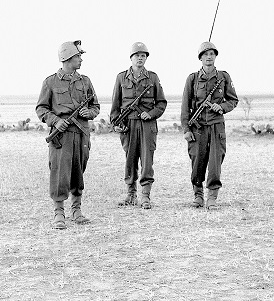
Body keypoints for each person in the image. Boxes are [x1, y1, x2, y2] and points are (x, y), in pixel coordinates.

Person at [36, 40, 100, 230]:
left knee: (79, 170)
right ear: (67, 58)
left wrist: (90, 113)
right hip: (61, 136)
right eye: (78, 56)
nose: (81, 60)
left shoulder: (85, 81)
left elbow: (95, 106)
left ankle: (77, 210)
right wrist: (56, 120)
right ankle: (59, 213)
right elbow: (41, 109)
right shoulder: (50, 82)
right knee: (59, 173)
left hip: (81, 134)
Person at [180, 41, 238, 210]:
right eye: (205, 54)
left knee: (215, 162)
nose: (209, 57)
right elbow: (185, 107)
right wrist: (186, 129)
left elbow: (233, 100)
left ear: (215, 56)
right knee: (197, 161)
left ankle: (212, 197)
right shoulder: (192, 79)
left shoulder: (223, 77)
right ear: (200, 58)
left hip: (216, 126)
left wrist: (222, 107)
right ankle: (198, 195)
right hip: (197, 127)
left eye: (212, 54)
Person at [110, 42, 167, 209]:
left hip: (147, 124)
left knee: (147, 160)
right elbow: (115, 104)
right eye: (137, 55)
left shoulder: (153, 77)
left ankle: (145, 196)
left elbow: (161, 103)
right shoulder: (121, 78)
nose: (140, 58)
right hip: (128, 125)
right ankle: (130, 194)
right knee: (130, 159)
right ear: (131, 58)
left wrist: (150, 114)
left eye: (143, 56)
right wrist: (116, 124)